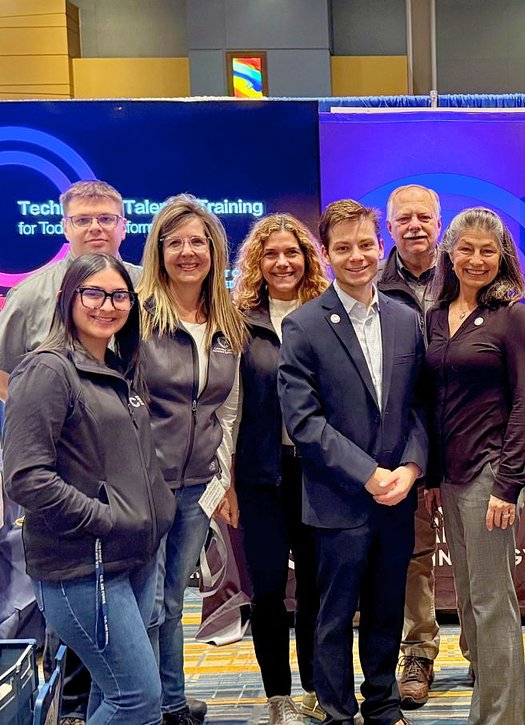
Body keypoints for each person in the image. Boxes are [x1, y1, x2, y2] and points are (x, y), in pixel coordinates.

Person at [3, 253, 175, 724]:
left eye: (119, 295)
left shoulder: (116, 367)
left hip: (132, 556)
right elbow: (25, 475)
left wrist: (156, 510)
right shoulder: (47, 371)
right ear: (67, 299)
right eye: (93, 293)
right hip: (83, 566)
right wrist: (102, 517)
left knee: (112, 692)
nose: (108, 305)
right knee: (137, 700)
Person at [278, 199, 428, 725]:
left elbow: (418, 407)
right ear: (326, 252)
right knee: (333, 616)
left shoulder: (408, 320)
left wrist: (409, 469)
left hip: (396, 499)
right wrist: (367, 474)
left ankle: (383, 703)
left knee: (387, 610)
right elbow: (304, 423)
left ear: (379, 245)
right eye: (343, 247)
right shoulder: (302, 326)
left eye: (366, 244)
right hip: (337, 501)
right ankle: (339, 712)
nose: (357, 256)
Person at [0, 179, 138, 725]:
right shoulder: (32, 293)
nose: (96, 228)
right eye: (84, 219)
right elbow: (9, 374)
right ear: (65, 227)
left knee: (134, 614)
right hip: (65, 490)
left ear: (123, 225)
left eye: (106, 218)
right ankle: (76, 710)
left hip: (130, 484)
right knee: (75, 614)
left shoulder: (141, 285)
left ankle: (121, 704)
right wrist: (62, 430)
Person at [424, 206, 525, 724]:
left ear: (502, 258)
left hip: (491, 476)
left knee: (493, 603)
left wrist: (508, 484)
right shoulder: (434, 312)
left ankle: (500, 718)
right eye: (466, 248)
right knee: (470, 601)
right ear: (450, 253)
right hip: (449, 477)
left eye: (487, 250)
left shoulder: (511, 315)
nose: (475, 259)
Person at [137, 194, 246, 725]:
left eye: (197, 242)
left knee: (172, 603)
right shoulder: (136, 315)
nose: (186, 252)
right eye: (174, 242)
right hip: (139, 488)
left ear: (213, 251)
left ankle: (172, 702)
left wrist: (221, 478)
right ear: (158, 251)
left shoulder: (226, 321)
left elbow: (227, 411)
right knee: (145, 605)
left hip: (196, 487)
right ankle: (140, 705)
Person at [228, 214, 329, 724]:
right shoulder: (238, 321)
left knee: (315, 585)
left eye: (292, 252)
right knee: (267, 589)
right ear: (257, 263)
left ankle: (314, 689)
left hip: (319, 475)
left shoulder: (329, 315)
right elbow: (227, 407)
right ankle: (278, 697)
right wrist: (226, 479)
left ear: (307, 257)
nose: (282, 262)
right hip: (260, 476)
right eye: (271, 254)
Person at [378, 183, 443, 709]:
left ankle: (483, 649)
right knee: (413, 553)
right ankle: (418, 650)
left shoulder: (468, 271)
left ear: (438, 222)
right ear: (389, 226)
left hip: (466, 431)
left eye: (424, 216)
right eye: (405, 218)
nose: (415, 225)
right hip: (402, 438)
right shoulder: (369, 283)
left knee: (478, 551)